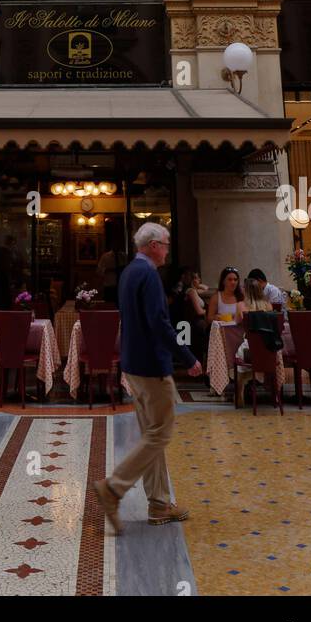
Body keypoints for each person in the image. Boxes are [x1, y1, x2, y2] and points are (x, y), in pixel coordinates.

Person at [94, 223, 202, 534]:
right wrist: (188, 358)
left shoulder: (129, 272)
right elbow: (158, 322)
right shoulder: (149, 275)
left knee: (151, 435)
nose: (168, 249)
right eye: (166, 243)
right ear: (153, 245)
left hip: (133, 365)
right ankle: (113, 488)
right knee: (159, 435)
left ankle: (158, 505)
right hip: (152, 367)